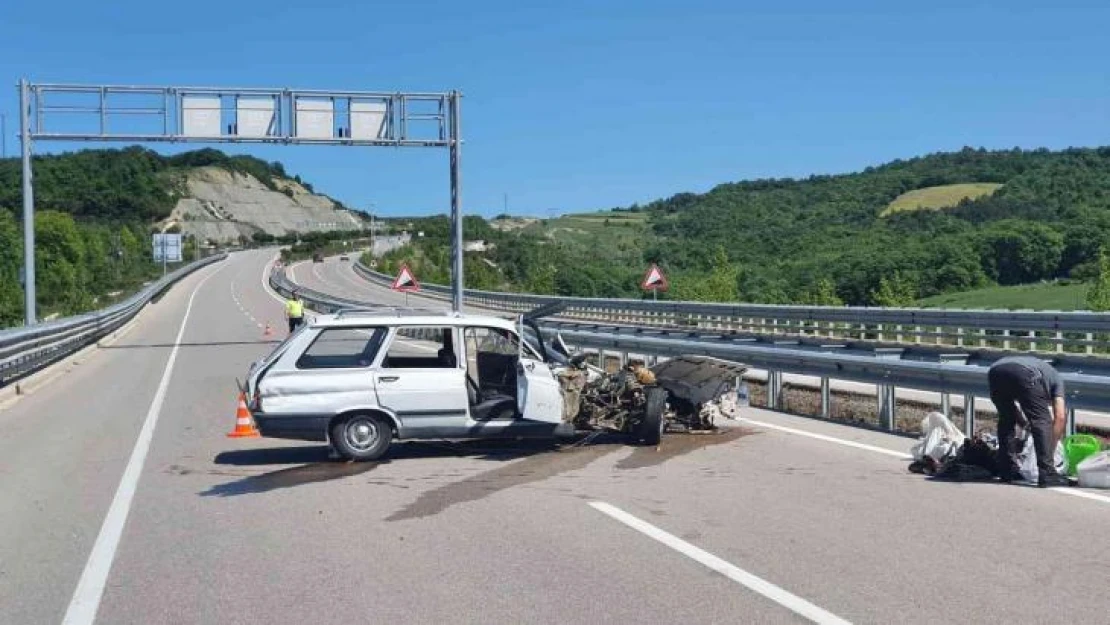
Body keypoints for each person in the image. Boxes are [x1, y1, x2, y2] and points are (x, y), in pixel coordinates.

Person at [987, 355, 1069, 487]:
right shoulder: (1057, 381)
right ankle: (1047, 473)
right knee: (1042, 420)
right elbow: (1060, 417)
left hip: (995, 371)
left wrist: (1025, 425)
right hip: (1025, 373)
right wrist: (1050, 450)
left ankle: (1007, 470)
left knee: (1006, 419)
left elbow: (1013, 411)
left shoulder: (1044, 373)